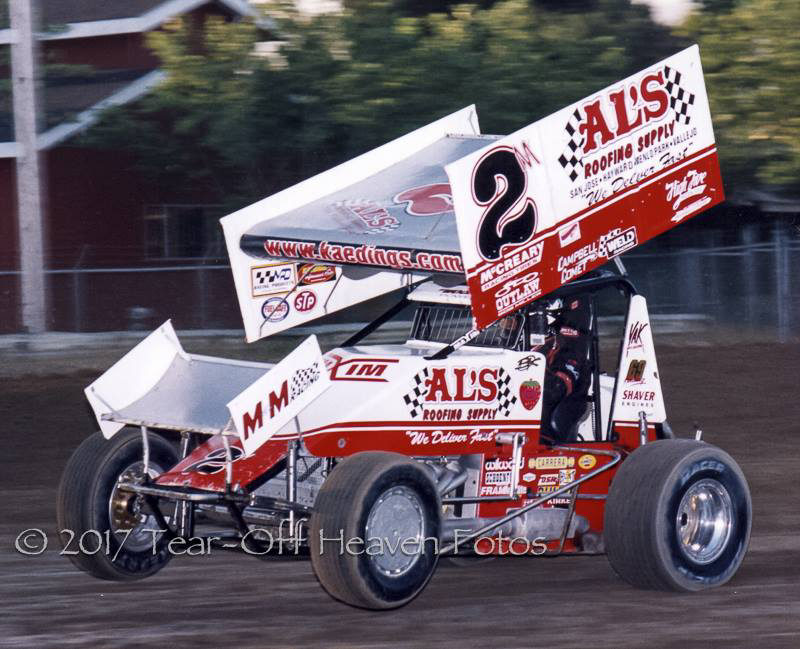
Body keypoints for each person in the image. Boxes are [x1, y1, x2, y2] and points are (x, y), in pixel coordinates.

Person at [530, 296, 593, 444]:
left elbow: (560, 384)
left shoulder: (568, 338)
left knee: (551, 389)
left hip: (551, 427)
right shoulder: (525, 336)